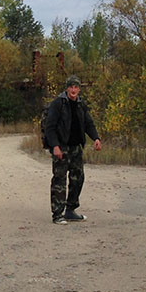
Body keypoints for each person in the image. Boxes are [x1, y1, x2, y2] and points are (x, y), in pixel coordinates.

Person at [43, 75, 102, 224]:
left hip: (76, 148)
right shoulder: (58, 104)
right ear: (67, 88)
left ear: (79, 89)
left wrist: (96, 138)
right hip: (61, 147)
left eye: (76, 87)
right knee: (59, 180)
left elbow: (89, 123)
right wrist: (55, 146)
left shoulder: (81, 105)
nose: (73, 90)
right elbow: (50, 127)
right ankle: (57, 214)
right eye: (71, 87)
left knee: (78, 178)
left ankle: (70, 210)